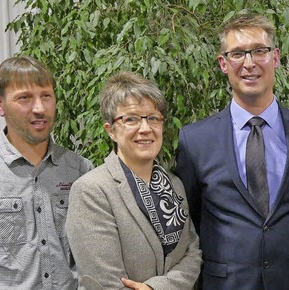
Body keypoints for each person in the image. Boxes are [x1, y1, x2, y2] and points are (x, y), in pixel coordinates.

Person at [175, 13, 289, 290]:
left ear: (276, 58)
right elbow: (192, 221)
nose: (249, 63)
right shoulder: (195, 140)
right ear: (223, 64)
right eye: (237, 54)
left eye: (259, 51)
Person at [0, 56, 93, 289]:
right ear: (0, 104)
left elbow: (89, 263)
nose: (39, 108)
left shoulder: (80, 170)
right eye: (25, 98)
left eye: (46, 96)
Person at [65, 71, 202, 290]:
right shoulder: (92, 190)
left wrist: (155, 288)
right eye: (131, 119)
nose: (145, 129)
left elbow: (192, 254)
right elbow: (102, 282)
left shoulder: (174, 184)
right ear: (111, 130)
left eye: (153, 118)